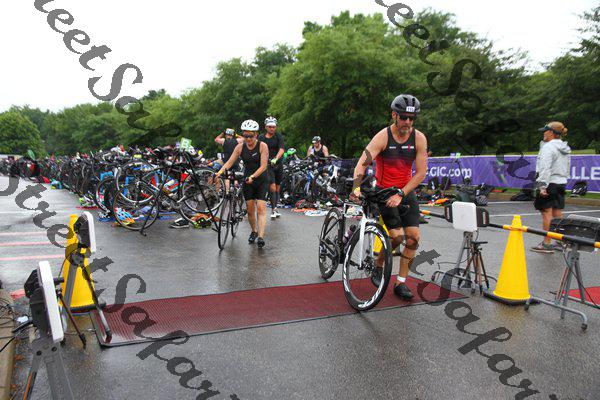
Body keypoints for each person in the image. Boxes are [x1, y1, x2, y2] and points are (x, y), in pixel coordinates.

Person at [351, 94, 428, 299]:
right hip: (385, 192)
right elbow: (362, 163)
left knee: (413, 238)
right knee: (397, 237)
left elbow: (421, 172)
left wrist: (402, 193)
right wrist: (356, 187)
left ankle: (400, 283)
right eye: (403, 117)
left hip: (405, 191)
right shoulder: (383, 137)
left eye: (412, 118)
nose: (408, 122)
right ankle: (379, 264)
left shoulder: (419, 138)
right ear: (394, 115)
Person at [217, 120, 269, 248]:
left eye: (251, 136)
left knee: (261, 208)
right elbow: (229, 162)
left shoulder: (262, 146)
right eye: (245, 136)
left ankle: (261, 237)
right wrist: (219, 172)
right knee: (250, 211)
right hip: (247, 180)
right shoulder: (240, 147)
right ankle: (254, 231)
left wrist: (253, 176)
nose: (248, 139)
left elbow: (263, 166)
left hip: (261, 179)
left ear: (256, 135)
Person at [530, 121, 571, 253]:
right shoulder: (564, 147)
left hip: (549, 182)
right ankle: (560, 241)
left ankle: (546, 243)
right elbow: (567, 166)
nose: (543, 133)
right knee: (557, 212)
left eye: (545, 131)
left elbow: (545, 167)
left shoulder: (548, 147)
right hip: (561, 182)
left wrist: (542, 186)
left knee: (546, 213)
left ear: (551, 133)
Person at [259, 117, 285, 219]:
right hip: (268, 165)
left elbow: (281, 149)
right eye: (270, 127)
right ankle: (273, 210)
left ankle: (275, 207)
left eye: (273, 127)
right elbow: (259, 149)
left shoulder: (278, 136)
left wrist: (276, 158)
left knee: (277, 187)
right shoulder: (261, 137)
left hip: (278, 164)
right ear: (266, 127)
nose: (272, 129)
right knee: (272, 186)